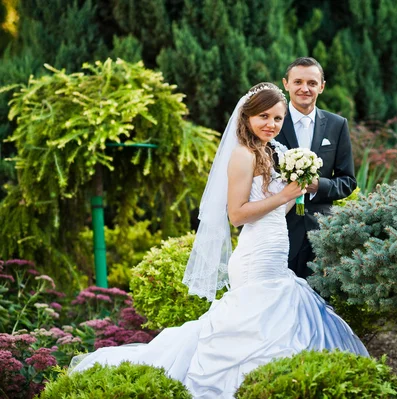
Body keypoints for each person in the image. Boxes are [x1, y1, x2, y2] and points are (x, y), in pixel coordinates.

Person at [69, 83, 368, 398]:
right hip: (255, 259)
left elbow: (279, 207)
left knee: (282, 321)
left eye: (278, 118)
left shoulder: (274, 152)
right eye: (263, 116)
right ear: (247, 117)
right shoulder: (242, 155)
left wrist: (299, 190)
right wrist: (284, 193)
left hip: (276, 256)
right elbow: (237, 215)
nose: (271, 124)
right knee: (252, 327)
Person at [275, 57, 356, 279]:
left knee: (318, 300)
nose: (305, 88)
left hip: (321, 230)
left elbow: (347, 181)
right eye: (298, 81)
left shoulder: (337, 125)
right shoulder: (271, 123)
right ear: (286, 84)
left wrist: (317, 185)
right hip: (278, 226)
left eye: (312, 83)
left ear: (322, 86)